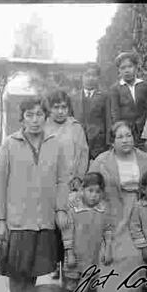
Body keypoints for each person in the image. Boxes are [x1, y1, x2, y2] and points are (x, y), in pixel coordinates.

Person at [0, 96, 69, 292]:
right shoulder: (10, 143)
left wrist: (61, 209)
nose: (35, 120)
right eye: (29, 115)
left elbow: (62, 180)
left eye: (39, 115)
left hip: (43, 218)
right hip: (17, 218)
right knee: (17, 268)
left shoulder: (55, 143)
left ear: (45, 117)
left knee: (34, 267)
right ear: (22, 118)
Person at [89, 121, 147, 292]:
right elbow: (91, 187)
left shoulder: (145, 159)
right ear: (112, 141)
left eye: (128, 135)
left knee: (135, 254)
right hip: (112, 210)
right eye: (120, 137)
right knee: (111, 254)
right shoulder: (101, 161)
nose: (125, 140)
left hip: (138, 211)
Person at [43, 90, 89, 279]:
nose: (60, 111)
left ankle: (70, 262)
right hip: (50, 182)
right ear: (49, 109)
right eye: (56, 107)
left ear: (69, 108)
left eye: (64, 107)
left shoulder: (75, 127)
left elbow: (83, 152)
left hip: (70, 183)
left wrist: (79, 177)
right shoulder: (44, 126)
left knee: (69, 222)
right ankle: (55, 263)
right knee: (53, 224)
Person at [61, 172, 113, 292]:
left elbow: (107, 230)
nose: (94, 196)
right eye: (90, 191)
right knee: (72, 285)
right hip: (75, 255)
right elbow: (67, 233)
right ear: (82, 190)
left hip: (93, 256)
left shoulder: (103, 210)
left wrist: (108, 248)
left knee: (87, 285)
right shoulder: (74, 211)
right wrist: (69, 252)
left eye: (97, 192)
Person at [110, 51, 147, 151]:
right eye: (123, 68)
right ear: (119, 71)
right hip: (126, 132)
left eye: (130, 66)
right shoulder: (116, 88)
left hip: (143, 131)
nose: (127, 70)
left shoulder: (143, 85)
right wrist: (120, 131)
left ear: (136, 68)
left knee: (143, 158)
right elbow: (115, 112)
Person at [70, 62, 111, 161]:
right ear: (82, 77)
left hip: (98, 143)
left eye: (94, 75)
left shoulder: (104, 96)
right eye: (87, 75)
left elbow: (108, 119)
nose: (90, 78)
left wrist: (108, 141)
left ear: (98, 78)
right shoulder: (73, 97)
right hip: (78, 141)